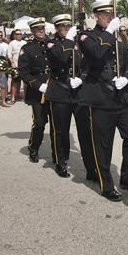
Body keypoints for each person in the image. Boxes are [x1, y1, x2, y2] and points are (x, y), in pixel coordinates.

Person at [78, 0, 128, 202]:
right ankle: (106, 184)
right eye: (105, 15)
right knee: (103, 145)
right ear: (96, 16)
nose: (109, 17)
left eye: (110, 14)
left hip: (122, 97)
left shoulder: (121, 37)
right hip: (100, 98)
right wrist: (109, 33)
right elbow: (97, 55)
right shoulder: (86, 36)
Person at [45, 14, 95, 179]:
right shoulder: (51, 43)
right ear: (56, 28)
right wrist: (69, 40)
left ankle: (90, 167)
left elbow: (89, 64)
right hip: (60, 90)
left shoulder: (78, 42)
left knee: (85, 131)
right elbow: (61, 57)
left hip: (78, 91)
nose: (66, 29)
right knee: (61, 131)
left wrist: (82, 78)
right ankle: (62, 162)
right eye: (63, 27)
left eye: (68, 26)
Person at [18, 18, 52, 163]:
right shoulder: (27, 48)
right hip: (37, 91)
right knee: (39, 122)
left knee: (58, 125)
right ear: (32, 31)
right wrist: (39, 86)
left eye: (42, 28)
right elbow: (23, 72)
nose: (41, 30)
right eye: (37, 28)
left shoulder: (53, 44)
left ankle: (58, 153)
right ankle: (33, 148)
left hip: (55, 89)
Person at [7, 29, 26, 102]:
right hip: (15, 64)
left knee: (25, 82)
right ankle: (13, 97)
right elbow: (9, 54)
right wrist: (12, 62)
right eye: (17, 34)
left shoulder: (24, 42)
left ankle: (24, 96)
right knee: (15, 82)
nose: (19, 35)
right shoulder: (12, 43)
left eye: (20, 34)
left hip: (24, 65)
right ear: (14, 35)